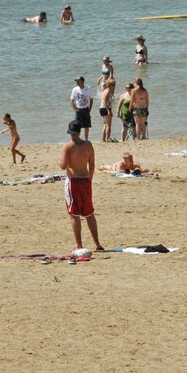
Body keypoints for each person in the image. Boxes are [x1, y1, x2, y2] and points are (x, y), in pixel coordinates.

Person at [61, 120, 103, 251]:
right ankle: (97, 244)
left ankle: (79, 245)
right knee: (89, 213)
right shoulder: (88, 145)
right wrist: (89, 178)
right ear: (80, 131)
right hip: (85, 180)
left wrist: (67, 163)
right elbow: (92, 164)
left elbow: (62, 165)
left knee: (74, 214)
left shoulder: (68, 146)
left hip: (73, 181)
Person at [70, 76, 94, 140]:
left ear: (82, 81)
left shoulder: (88, 89)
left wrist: (90, 108)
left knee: (87, 126)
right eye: (76, 81)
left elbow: (91, 99)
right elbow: (71, 100)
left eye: (78, 81)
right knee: (77, 125)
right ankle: (78, 138)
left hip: (86, 109)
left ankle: (86, 139)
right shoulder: (75, 89)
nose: (77, 82)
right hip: (78, 109)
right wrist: (75, 109)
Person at [99, 75, 116, 143]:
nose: (114, 86)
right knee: (108, 125)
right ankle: (107, 139)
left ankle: (103, 139)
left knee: (105, 125)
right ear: (110, 85)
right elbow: (105, 101)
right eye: (113, 85)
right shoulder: (108, 91)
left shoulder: (106, 90)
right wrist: (109, 110)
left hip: (102, 108)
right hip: (106, 108)